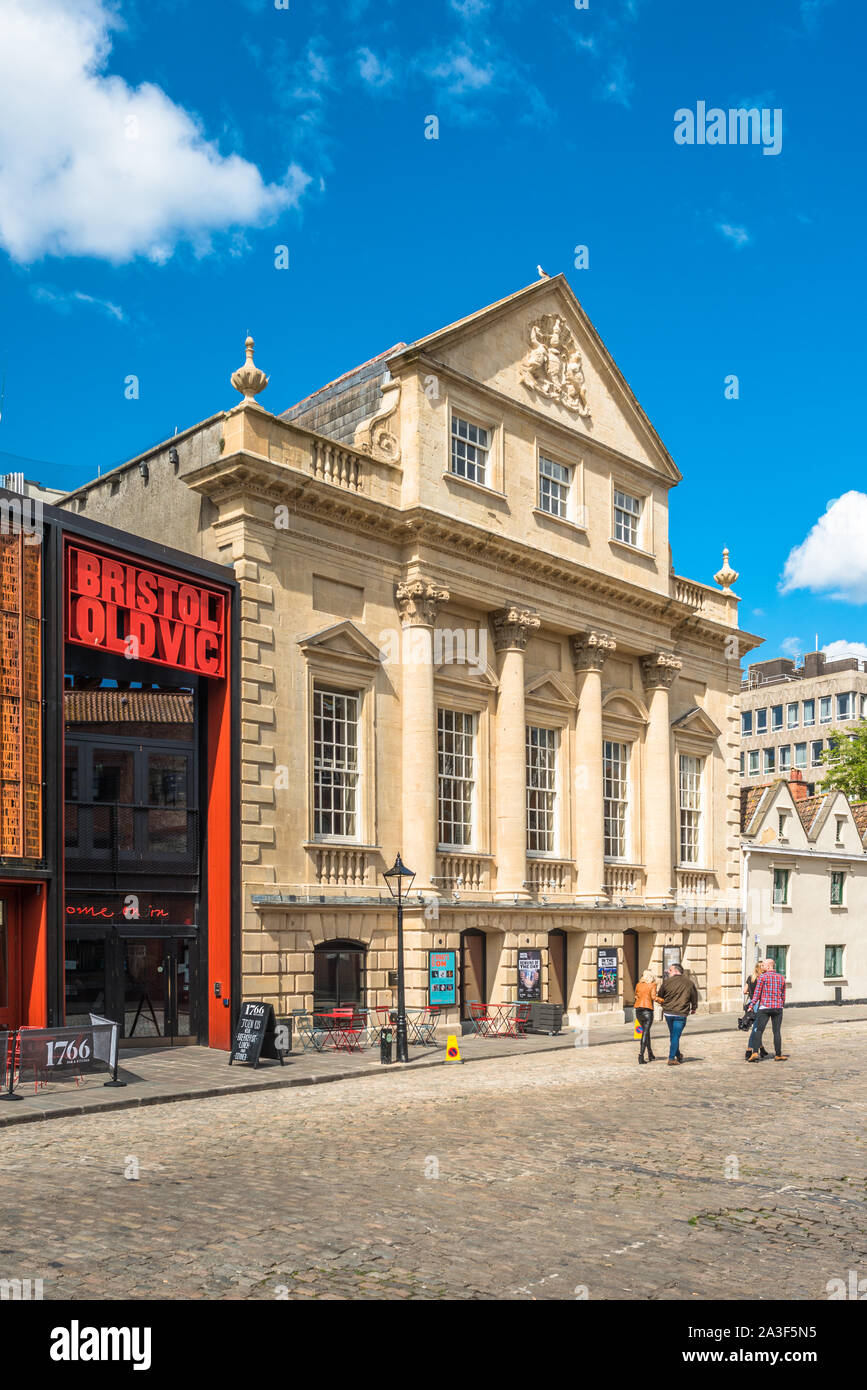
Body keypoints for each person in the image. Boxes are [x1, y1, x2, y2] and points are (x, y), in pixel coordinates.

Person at [655, 962, 698, 1065]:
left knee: (674, 1035)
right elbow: (694, 997)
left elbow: (660, 995)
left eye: (670, 970)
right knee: (675, 1036)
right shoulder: (689, 983)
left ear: (676, 971)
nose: (668, 972)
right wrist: (694, 1008)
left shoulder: (667, 982)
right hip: (681, 1013)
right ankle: (671, 1058)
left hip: (668, 1012)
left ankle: (678, 1055)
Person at [747, 958, 788, 1062]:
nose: (762, 967)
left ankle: (755, 1052)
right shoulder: (781, 977)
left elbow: (757, 993)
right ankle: (778, 1054)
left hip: (765, 1007)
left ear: (769, 966)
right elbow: (783, 994)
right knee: (776, 1031)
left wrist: (751, 1005)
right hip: (777, 1008)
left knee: (759, 1030)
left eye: (763, 965)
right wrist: (781, 1004)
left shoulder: (762, 977)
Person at [743, 961, 769, 1060]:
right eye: (763, 965)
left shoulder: (750, 978)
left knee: (758, 1027)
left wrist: (751, 992)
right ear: (760, 968)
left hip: (751, 1003)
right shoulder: (762, 978)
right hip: (759, 1003)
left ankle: (762, 1049)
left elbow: (745, 991)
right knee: (756, 1029)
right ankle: (749, 1050)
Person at [633, 970, 658, 1064]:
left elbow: (636, 996)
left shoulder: (638, 984)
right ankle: (641, 1055)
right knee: (645, 1033)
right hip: (647, 1011)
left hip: (638, 1011)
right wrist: (663, 1000)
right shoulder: (652, 985)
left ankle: (650, 1054)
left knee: (646, 1033)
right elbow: (653, 997)